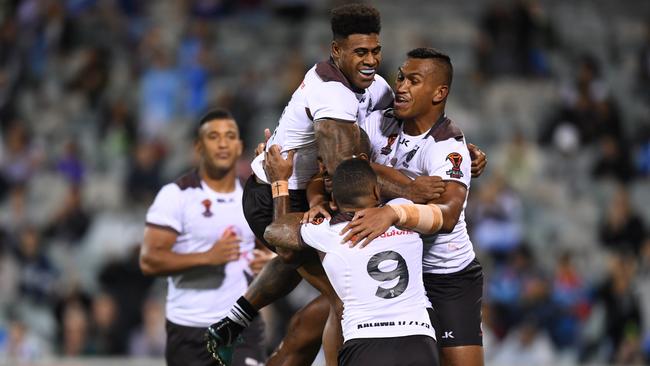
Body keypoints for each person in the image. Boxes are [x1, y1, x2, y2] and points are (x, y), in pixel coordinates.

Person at [206, 5, 486, 366]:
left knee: (318, 313)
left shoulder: (387, 102)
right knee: (339, 302)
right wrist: (407, 195)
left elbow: (442, 208)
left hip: (444, 271)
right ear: (336, 51)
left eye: (376, 52)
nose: (375, 65)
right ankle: (235, 324)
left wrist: (465, 154)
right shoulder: (334, 97)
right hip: (281, 192)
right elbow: (343, 171)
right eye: (361, 53)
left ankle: (233, 321)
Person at [341, 48, 485, 366]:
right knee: (333, 312)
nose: (402, 86)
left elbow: (447, 217)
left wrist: (395, 210)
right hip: (396, 266)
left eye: (413, 81)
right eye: (401, 77)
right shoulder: (379, 123)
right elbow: (343, 162)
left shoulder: (447, 145)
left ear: (439, 92)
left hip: (445, 275)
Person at [265, 157, 439, 366]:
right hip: (418, 339)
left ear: (334, 202)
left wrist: (284, 185)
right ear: (376, 192)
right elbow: (433, 212)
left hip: (364, 343)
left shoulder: (326, 231)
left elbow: (274, 231)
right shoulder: (403, 208)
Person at [139, 109, 273, 366]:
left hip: (241, 325)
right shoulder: (176, 195)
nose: (223, 143)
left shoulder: (252, 196)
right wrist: (208, 257)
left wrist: (269, 259)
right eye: (213, 136)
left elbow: (267, 248)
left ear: (239, 146)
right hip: (190, 329)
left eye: (230, 136)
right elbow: (149, 260)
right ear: (198, 147)